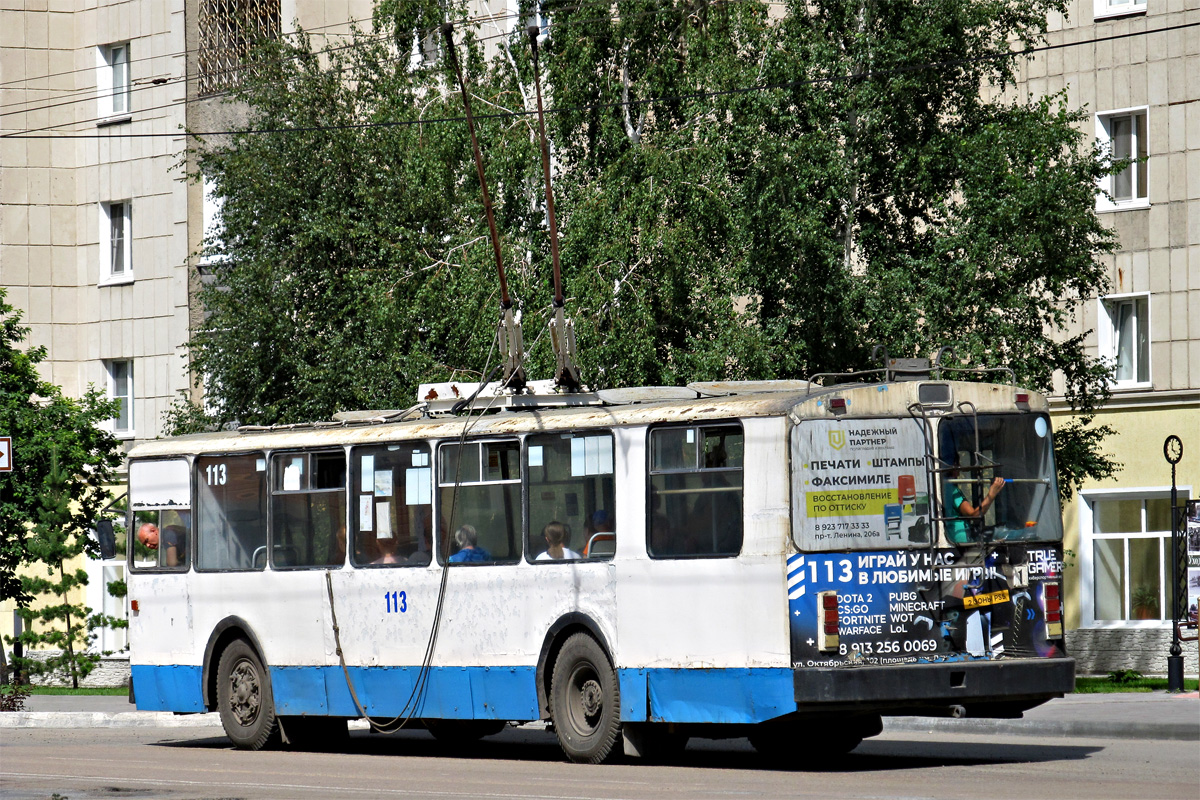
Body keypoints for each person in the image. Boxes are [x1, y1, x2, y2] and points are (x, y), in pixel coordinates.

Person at [945, 472, 1006, 543]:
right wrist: (992, 494)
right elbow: (975, 516)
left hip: (959, 534)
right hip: (961, 539)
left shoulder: (944, 489)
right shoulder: (952, 490)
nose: (958, 474)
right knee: (1005, 533)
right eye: (957, 468)